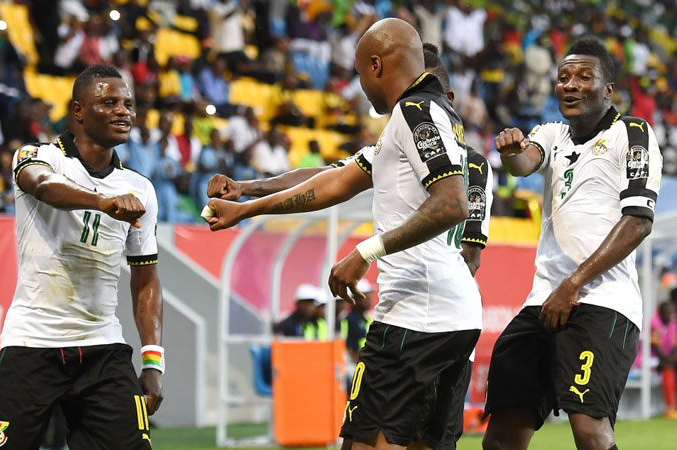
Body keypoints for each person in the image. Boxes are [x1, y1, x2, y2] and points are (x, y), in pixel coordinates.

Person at [205, 18, 481, 450]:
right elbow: (331, 180)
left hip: (415, 315)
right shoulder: (418, 121)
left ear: (376, 66)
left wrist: (366, 251)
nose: (359, 85)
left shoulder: (415, 113)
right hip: (452, 316)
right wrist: (246, 199)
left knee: (364, 445)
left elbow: (451, 203)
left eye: (357, 74)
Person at [482, 37, 662, 450]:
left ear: (608, 89)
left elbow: (637, 222)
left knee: (589, 430)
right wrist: (511, 153)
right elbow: (524, 163)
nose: (571, 85)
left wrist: (573, 284)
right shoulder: (551, 133)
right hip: (543, 301)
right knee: (503, 433)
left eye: (584, 76)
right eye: (563, 77)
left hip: (603, 303)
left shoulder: (632, 134)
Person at [0, 65, 164, 449]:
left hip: (103, 351)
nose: (124, 111)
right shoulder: (38, 156)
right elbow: (42, 186)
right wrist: (103, 202)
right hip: (31, 346)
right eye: (109, 102)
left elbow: (145, 281)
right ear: (78, 111)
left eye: (128, 103)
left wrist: (152, 363)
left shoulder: (140, 189)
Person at [207, 42, 493, 277]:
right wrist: (246, 190)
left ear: (447, 99)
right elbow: (330, 179)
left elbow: (468, 256)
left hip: (431, 314)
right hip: (410, 309)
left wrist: (368, 251)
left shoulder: (473, 164)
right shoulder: (395, 142)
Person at [651, 302, 677, 418]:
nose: (670, 314)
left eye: (672, 312)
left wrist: (671, 360)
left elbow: (675, 347)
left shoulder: (673, 325)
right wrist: (668, 360)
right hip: (651, 358)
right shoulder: (654, 324)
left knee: (670, 368)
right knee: (668, 368)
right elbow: (655, 347)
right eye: (667, 312)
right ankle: (670, 409)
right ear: (660, 312)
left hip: (666, 360)